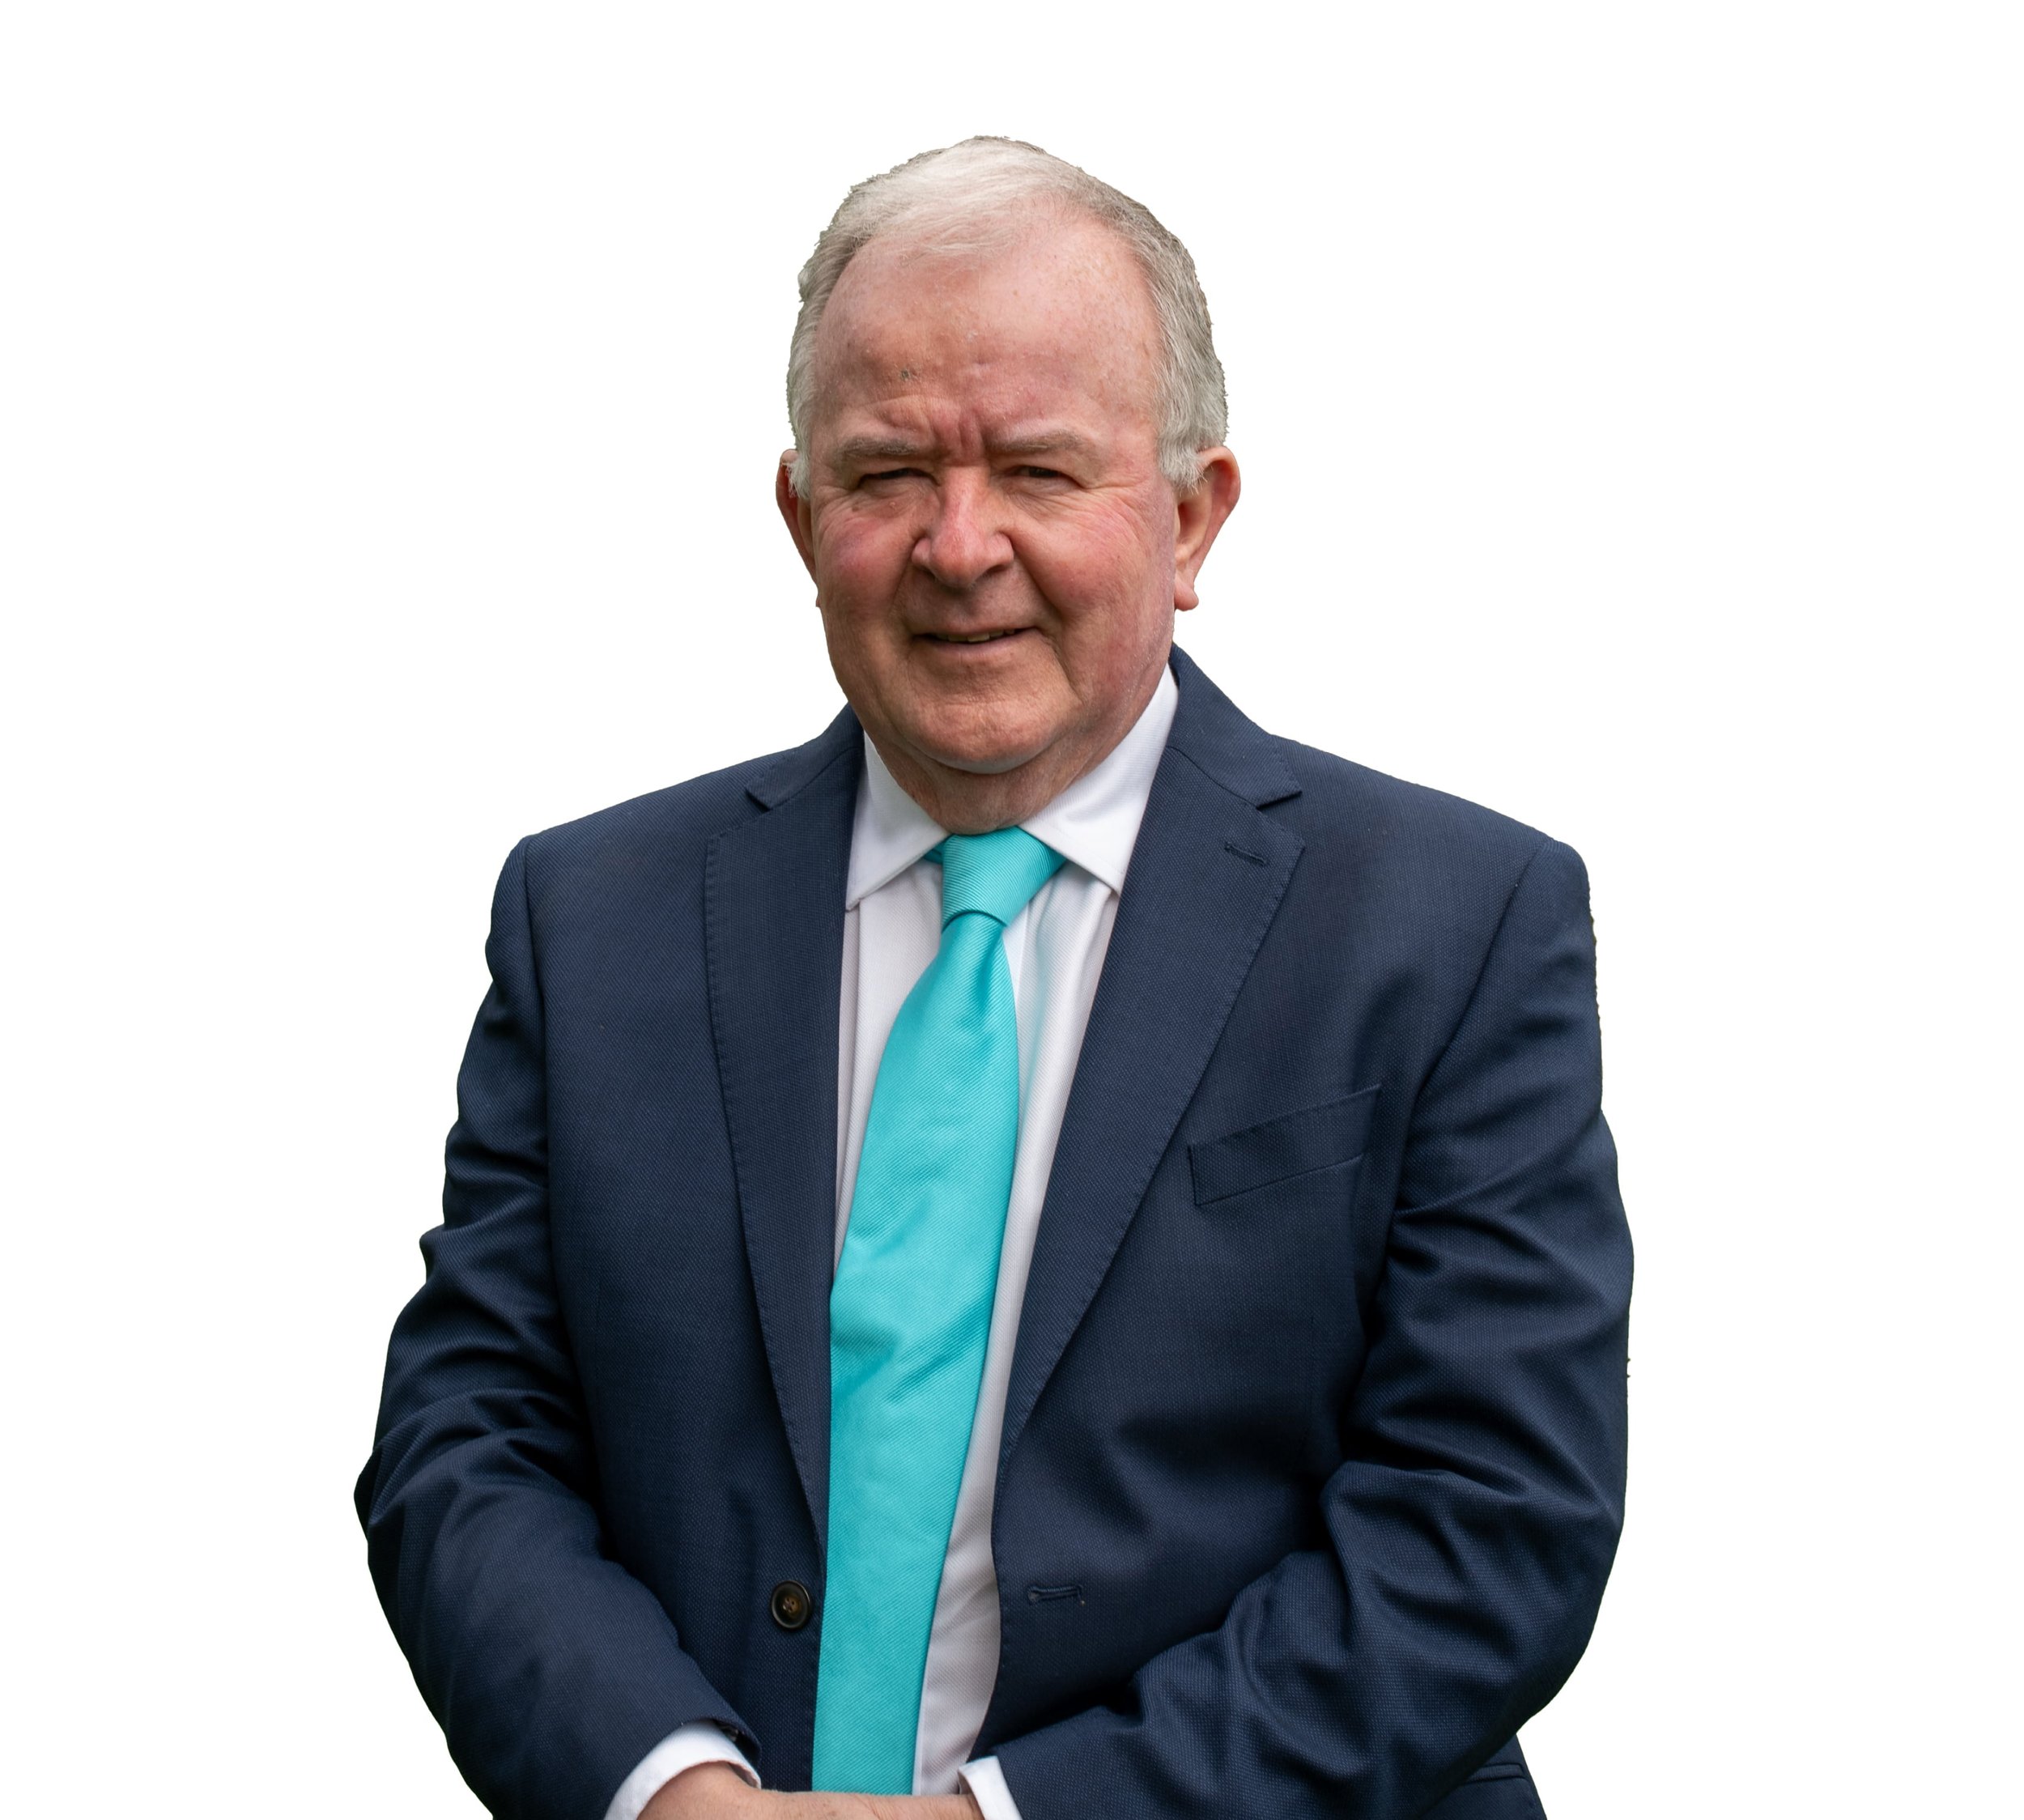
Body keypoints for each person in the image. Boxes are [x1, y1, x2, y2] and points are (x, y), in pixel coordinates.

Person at [358, 137, 1632, 1820]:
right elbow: (470, 1441)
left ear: (1189, 516)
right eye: (888, 473)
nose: (960, 548)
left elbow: (1488, 1515)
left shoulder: (1453, 921)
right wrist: (667, 1789)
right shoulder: (589, 918)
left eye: (1036, 470)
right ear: (801, 516)